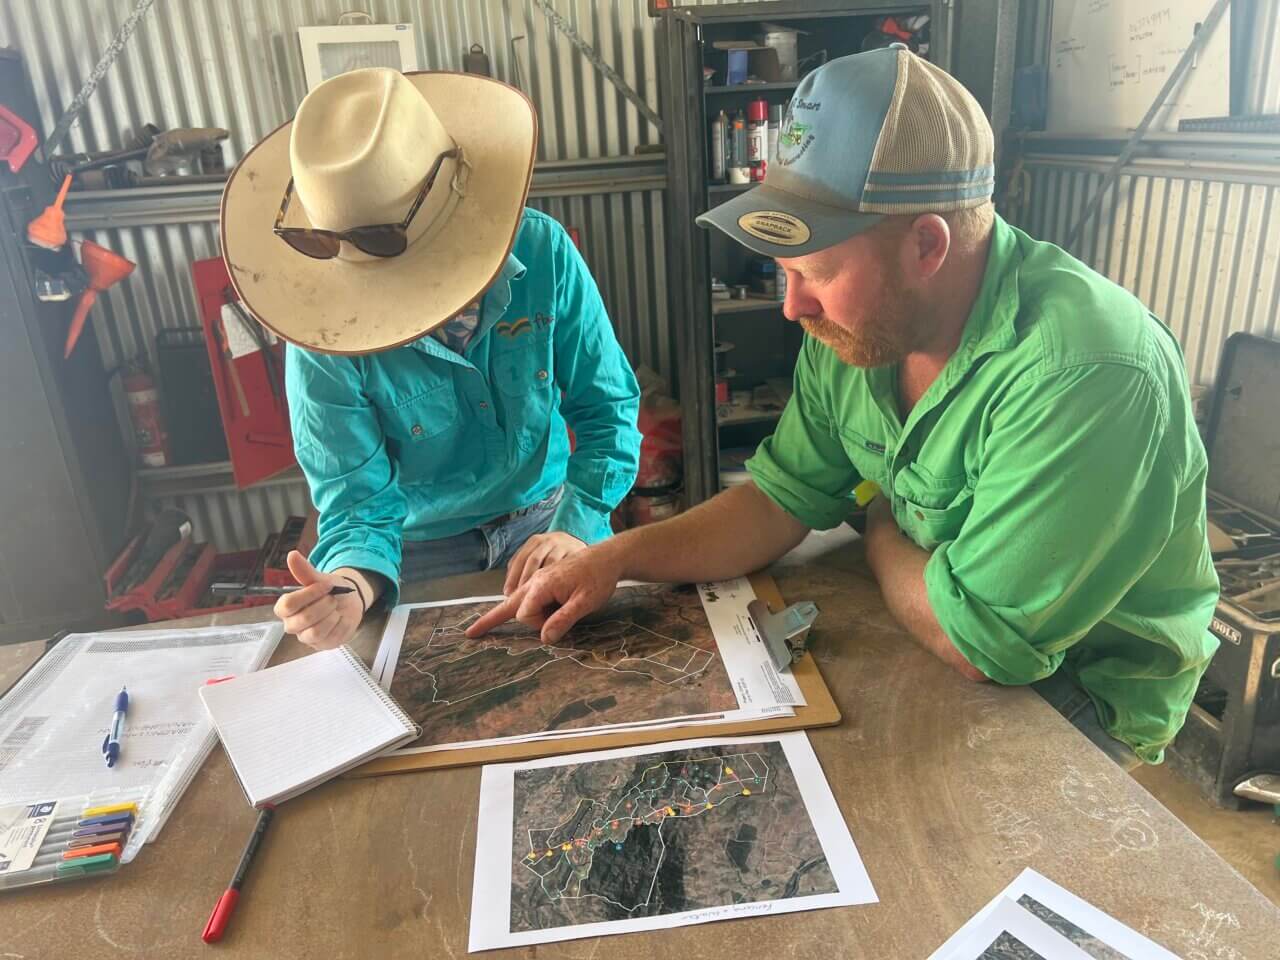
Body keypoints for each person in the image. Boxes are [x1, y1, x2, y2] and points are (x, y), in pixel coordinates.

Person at [469, 47, 1220, 767]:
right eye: (783, 271)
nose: (792, 306)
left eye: (815, 271)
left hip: (1074, 690)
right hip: (929, 619)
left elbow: (982, 649)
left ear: (927, 246)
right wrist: (614, 560)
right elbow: (775, 500)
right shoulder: (860, 331)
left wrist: (883, 528)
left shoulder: (1086, 371)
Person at [220, 67, 641, 651]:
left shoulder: (544, 254)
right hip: (415, 551)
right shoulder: (324, 331)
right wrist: (350, 587)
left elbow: (608, 411)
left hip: (549, 518)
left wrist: (579, 524)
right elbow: (357, 501)